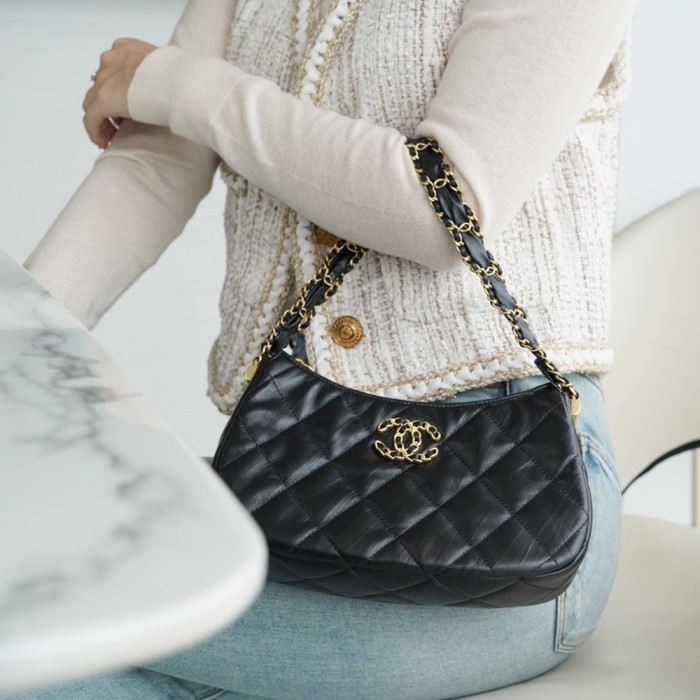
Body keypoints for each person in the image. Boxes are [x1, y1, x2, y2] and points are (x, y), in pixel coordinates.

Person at [15, 0, 639, 697]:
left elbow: (443, 204)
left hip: (514, 518)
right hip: (294, 479)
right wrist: (20, 353)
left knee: (42, 634)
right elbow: (158, 164)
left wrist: (178, 83)